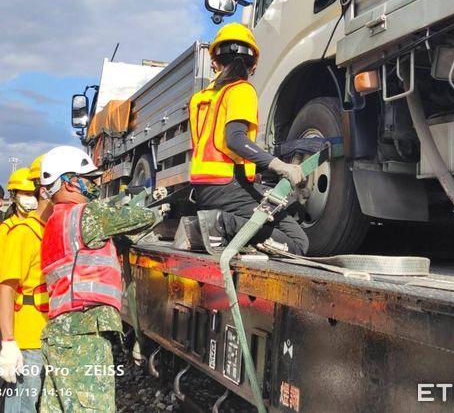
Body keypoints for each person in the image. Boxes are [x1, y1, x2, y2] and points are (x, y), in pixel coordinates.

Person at [37, 146, 161, 413]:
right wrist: (140, 201)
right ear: (70, 182)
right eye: (89, 180)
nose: (94, 186)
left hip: (61, 335)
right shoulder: (88, 214)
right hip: (84, 333)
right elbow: (144, 218)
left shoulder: (55, 223)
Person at [190, 22, 309, 255]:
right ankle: (221, 223)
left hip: (205, 188)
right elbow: (234, 139)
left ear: (214, 61)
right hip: (228, 186)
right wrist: (281, 166)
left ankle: (208, 227)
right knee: (298, 243)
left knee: (281, 211)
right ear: (253, 65)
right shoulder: (241, 90)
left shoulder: (201, 98)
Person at [0, 155, 52, 413]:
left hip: (42, 330)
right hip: (25, 332)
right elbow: (7, 287)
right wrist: (8, 341)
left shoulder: (43, 231)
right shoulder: (17, 232)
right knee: (21, 403)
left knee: (31, 401)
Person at [0, 168, 38, 259]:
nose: (32, 199)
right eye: (27, 194)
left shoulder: (42, 225)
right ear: (13, 196)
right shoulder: (6, 229)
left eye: (35, 194)